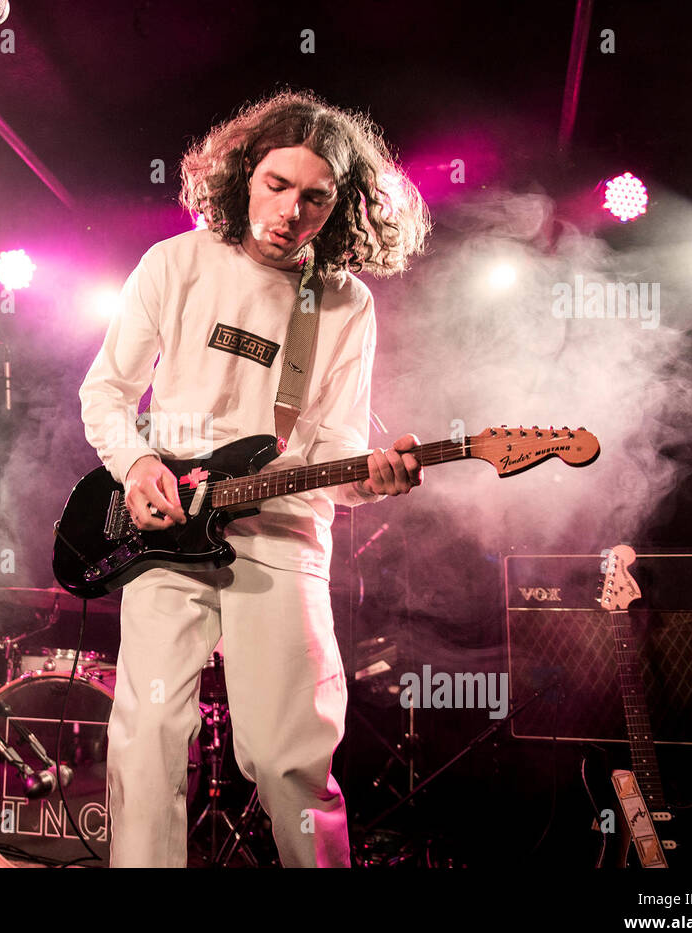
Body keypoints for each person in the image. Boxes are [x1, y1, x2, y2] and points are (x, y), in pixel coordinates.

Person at [78, 90, 431, 867]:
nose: (291, 212)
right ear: (243, 173)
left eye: (316, 197)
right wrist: (137, 463)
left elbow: (336, 448)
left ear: (342, 206)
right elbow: (104, 390)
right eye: (276, 184)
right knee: (147, 745)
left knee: (287, 759)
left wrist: (369, 478)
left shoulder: (342, 303)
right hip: (167, 534)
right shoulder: (176, 263)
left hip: (282, 535)